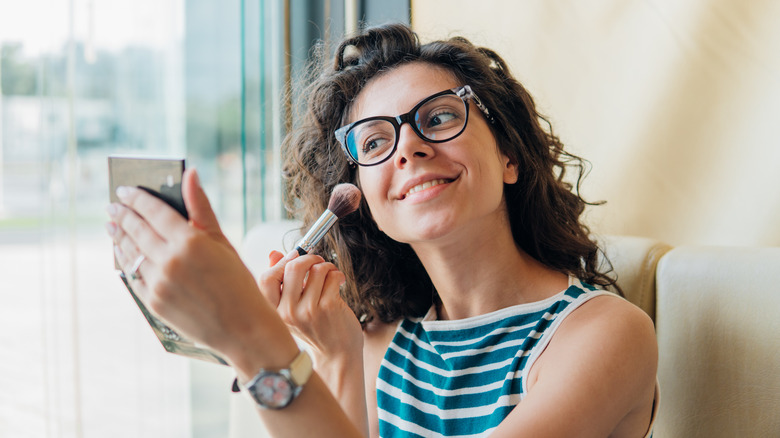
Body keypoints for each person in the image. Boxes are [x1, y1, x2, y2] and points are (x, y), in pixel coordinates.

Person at [106, 23, 658, 438]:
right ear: (363, 199)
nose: (410, 148)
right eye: (374, 142)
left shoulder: (602, 334)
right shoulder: (374, 344)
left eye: (439, 117)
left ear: (509, 154)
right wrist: (339, 359)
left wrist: (255, 342)